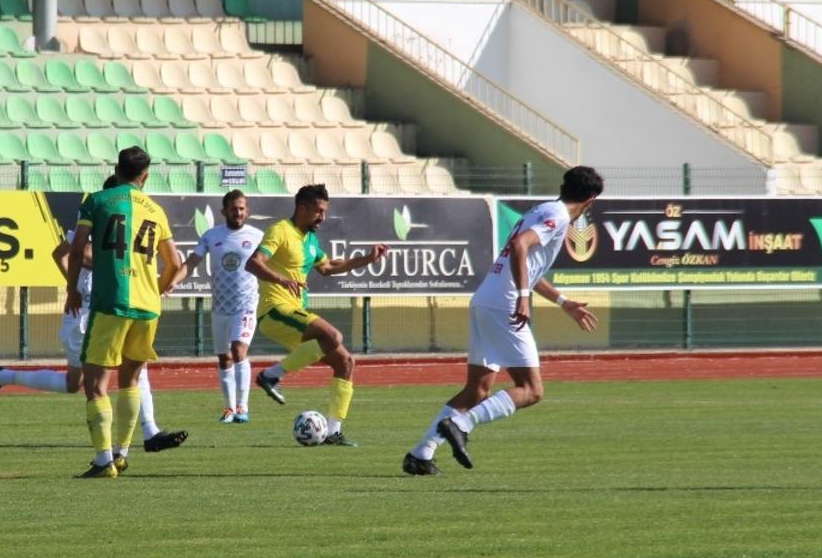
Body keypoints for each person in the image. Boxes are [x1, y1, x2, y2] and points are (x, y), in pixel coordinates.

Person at [403, 166, 603, 476]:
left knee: (477, 390)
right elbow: (521, 247)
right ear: (590, 200)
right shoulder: (559, 216)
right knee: (532, 390)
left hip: (486, 300)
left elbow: (527, 265)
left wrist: (563, 303)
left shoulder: (542, 210)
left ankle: (420, 454)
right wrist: (523, 296)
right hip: (505, 305)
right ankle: (460, 424)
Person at [0, 177, 188, 453]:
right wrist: (74, 287)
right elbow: (63, 253)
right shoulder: (95, 218)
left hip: (113, 306)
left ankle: (149, 432)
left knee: (135, 368)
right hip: (85, 312)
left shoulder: (126, 220)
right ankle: (2, 376)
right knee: (76, 383)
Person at [67, 147, 182, 478]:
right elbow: (174, 263)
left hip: (111, 301)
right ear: (145, 176)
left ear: (116, 169)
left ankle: (104, 461)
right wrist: (156, 290)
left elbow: (77, 250)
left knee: (95, 384)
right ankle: (122, 453)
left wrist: (72, 288)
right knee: (131, 379)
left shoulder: (98, 200)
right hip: (148, 307)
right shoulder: (156, 210)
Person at [244, 184, 388, 446]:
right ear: (302, 208)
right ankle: (271, 375)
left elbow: (330, 266)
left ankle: (333, 431)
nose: (322, 217)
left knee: (346, 362)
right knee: (332, 335)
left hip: (295, 312)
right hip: (275, 311)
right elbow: (253, 262)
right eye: (318, 211)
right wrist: (281, 279)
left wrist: (367, 259)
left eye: (325, 212)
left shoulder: (310, 241)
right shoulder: (280, 231)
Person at [174, 189, 263, 423]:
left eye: (242, 208)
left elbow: (272, 264)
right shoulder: (211, 235)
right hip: (220, 307)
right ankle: (229, 408)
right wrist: (172, 282)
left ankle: (243, 406)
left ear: (248, 211)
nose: (239, 212)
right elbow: (192, 262)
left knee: (238, 350)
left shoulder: (257, 236)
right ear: (224, 211)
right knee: (224, 359)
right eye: (234, 208)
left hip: (246, 305)